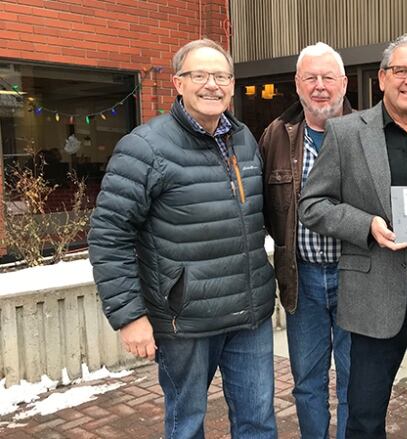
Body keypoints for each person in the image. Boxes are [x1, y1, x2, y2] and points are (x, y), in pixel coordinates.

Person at [88, 39, 278, 439]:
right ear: (178, 83)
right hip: (185, 319)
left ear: (232, 84)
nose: (212, 85)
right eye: (200, 75)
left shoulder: (243, 139)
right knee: (187, 424)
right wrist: (129, 316)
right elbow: (109, 235)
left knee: (258, 422)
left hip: (249, 313)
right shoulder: (144, 147)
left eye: (222, 76)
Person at [299, 34, 407, 439]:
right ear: (381, 78)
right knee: (364, 417)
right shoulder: (345, 133)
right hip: (375, 298)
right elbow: (312, 204)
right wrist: (367, 226)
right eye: (401, 70)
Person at [259, 41, 352, 439]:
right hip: (302, 281)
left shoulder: (366, 132)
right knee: (308, 381)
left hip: (356, 278)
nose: (319, 86)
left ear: (343, 84)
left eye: (327, 77)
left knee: (355, 380)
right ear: (297, 85)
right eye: (310, 78)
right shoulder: (275, 136)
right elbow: (262, 207)